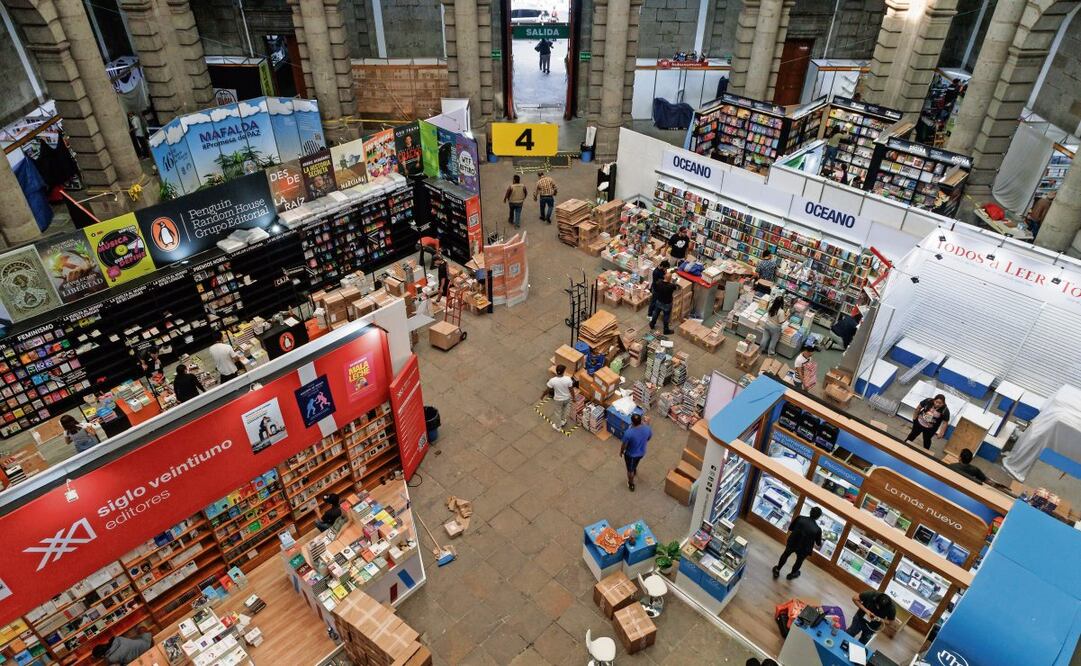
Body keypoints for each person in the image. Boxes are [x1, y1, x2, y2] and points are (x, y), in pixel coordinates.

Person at [772, 506, 823, 580]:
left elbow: (790, 528)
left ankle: (777, 570)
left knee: (786, 554)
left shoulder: (800, 518)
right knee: (799, 561)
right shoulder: (818, 529)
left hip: (793, 541)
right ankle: (792, 574)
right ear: (818, 517)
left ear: (810, 512)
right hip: (805, 548)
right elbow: (818, 543)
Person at [619, 413, 652, 491]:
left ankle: (631, 483)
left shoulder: (628, 433)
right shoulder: (647, 428)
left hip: (631, 455)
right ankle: (634, 469)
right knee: (636, 463)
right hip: (642, 453)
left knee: (630, 471)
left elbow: (624, 445)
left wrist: (621, 451)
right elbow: (649, 438)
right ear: (641, 421)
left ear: (632, 422)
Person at [544, 364, 576, 431]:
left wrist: (542, 396)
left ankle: (558, 426)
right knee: (565, 410)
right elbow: (571, 390)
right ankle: (563, 420)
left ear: (556, 371)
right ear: (563, 371)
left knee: (558, 412)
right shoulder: (568, 379)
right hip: (567, 398)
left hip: (558, 400)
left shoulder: (552, 380)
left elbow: (547, 390)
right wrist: (574, 398)